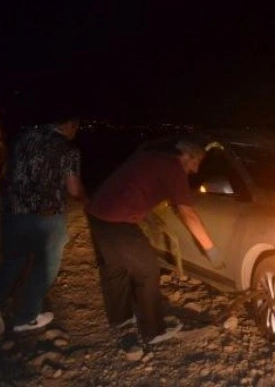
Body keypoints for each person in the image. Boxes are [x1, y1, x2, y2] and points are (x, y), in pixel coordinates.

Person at [85, 136, 223, 345]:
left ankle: (120, 321)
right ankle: (153, 331)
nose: (195, 170)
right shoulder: (172, 167)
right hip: (117, 221)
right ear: (185, 155)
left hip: (97, 215)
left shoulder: (152, 156)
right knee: (148, 270)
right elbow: (188, 213)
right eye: (195, 163)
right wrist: (211, 250)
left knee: (115, 269)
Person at [0, 114, 87, 336]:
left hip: (13, 213)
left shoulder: (23, 139)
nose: (75, 132)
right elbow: (74, 189)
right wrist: (86, 199)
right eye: (76, 127)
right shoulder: (67, 149)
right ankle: (27, 317)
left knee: (13, 260)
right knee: (46, 266)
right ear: (68, 124)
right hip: (46, 217)